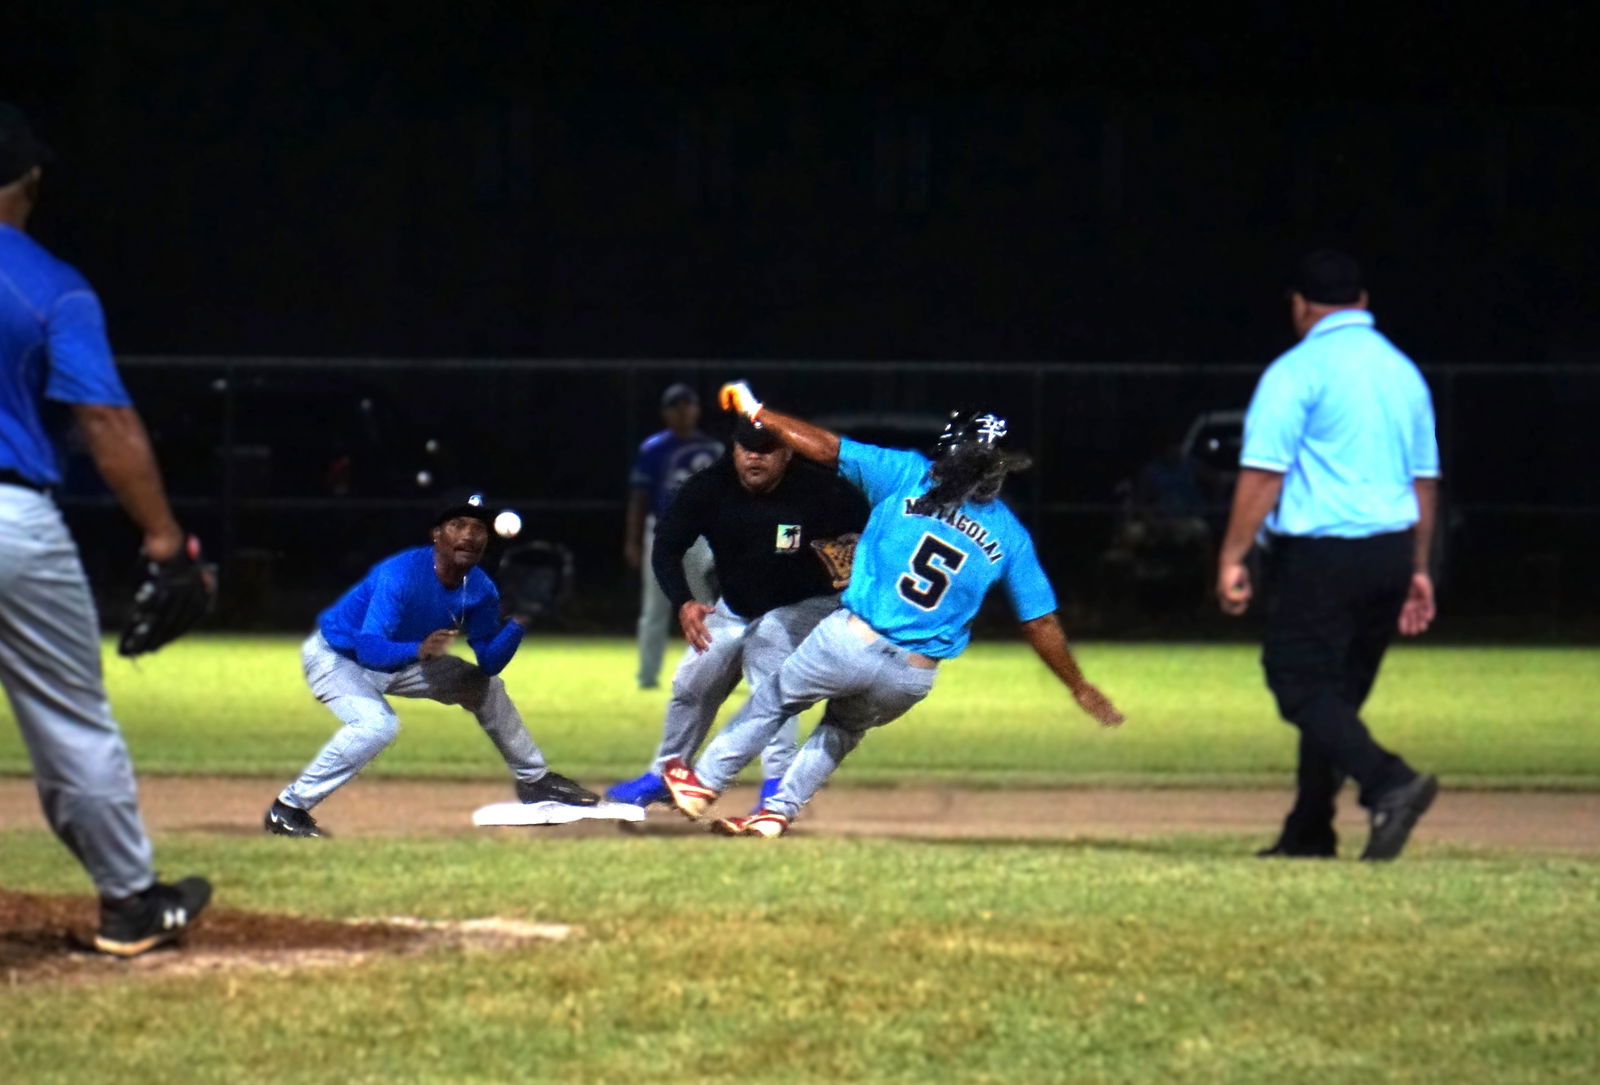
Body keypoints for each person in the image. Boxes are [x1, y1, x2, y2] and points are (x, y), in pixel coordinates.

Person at [661, 387, 1125, 837]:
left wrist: (758, 411)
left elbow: (825, 447)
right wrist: (1077, 685)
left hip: (850, 642)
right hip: (910, 678)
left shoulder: (909, 473)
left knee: (775, 699)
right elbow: (1040, 621)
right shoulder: (1009, 534)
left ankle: (705, 784)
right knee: (842, 729)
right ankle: (776, 814)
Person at [0, 102, 211, 956]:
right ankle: (130, 902)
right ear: (27, 180)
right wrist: (165, 540)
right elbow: (104, 420)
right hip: (10, 522)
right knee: (68, 716)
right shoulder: (47, 283)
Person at [1216, 249, 1440, 862]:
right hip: (1392, 551)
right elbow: (1424, 481)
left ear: (1299, 306)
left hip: (1323, 555)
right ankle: (1309, 832)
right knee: (1334, 698)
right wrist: (1420, 567)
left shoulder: (1296, 371)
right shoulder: (1403, 372)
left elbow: (1264, 474)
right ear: (1362, 301)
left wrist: (1233, 556)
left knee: (1295, 680)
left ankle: (1389, 782)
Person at [264, 496, 597, 837]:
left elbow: (489, 663)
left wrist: (519, 622)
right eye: (458, 525)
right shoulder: (401, 574)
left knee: (485, 687)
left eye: (478, 528)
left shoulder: (481, 589)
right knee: (377, 726)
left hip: (405, 660)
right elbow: (368, 649)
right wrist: (418, 649)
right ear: (436, 534)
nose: (469, 535)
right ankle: (288, 808)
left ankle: (535, 781)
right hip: (338, 658)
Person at [604, 416, 869, 809]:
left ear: (788, 451)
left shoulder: (821, 490)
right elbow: (667, 547)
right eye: (747, 448)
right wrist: (684, 601)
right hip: (736, 604)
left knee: (770, 659)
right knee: (693, 679)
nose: (754, 457)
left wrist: (854, 558)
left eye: (766, 449)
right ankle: (665, 774)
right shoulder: (710, 486)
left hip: (804, 602)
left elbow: (868, 530)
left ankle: (776, 785)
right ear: (734, 448)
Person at [625, 382, 722, 689]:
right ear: (666, 412)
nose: (682, 411)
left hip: (702, 535)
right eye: (675, 406)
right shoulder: (654, 448)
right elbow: (639, 497)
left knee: (705, 604)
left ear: (696, 410)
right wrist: (633, 539)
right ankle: (648, 674)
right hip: (661, 530)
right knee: (654, 607)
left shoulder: (713, 449)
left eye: (687, 405)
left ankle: (707, 671)